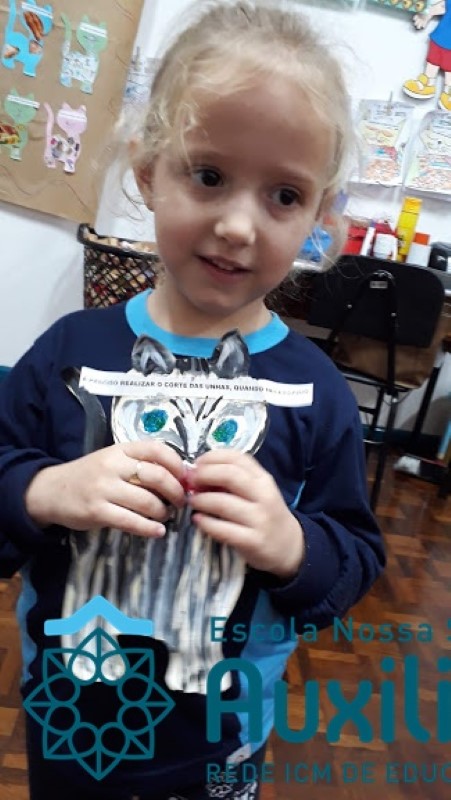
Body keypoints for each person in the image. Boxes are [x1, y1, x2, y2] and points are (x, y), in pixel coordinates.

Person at [0, 1, 385, 799]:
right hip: (70, 730)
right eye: (208, 175)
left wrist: (293, 546)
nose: (239, 225)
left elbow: (353, 560)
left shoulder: (317, 394)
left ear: (319, 218)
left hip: (220, 746)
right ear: (148, 172)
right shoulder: (68, 354)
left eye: (284, 195)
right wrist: (41, 490)